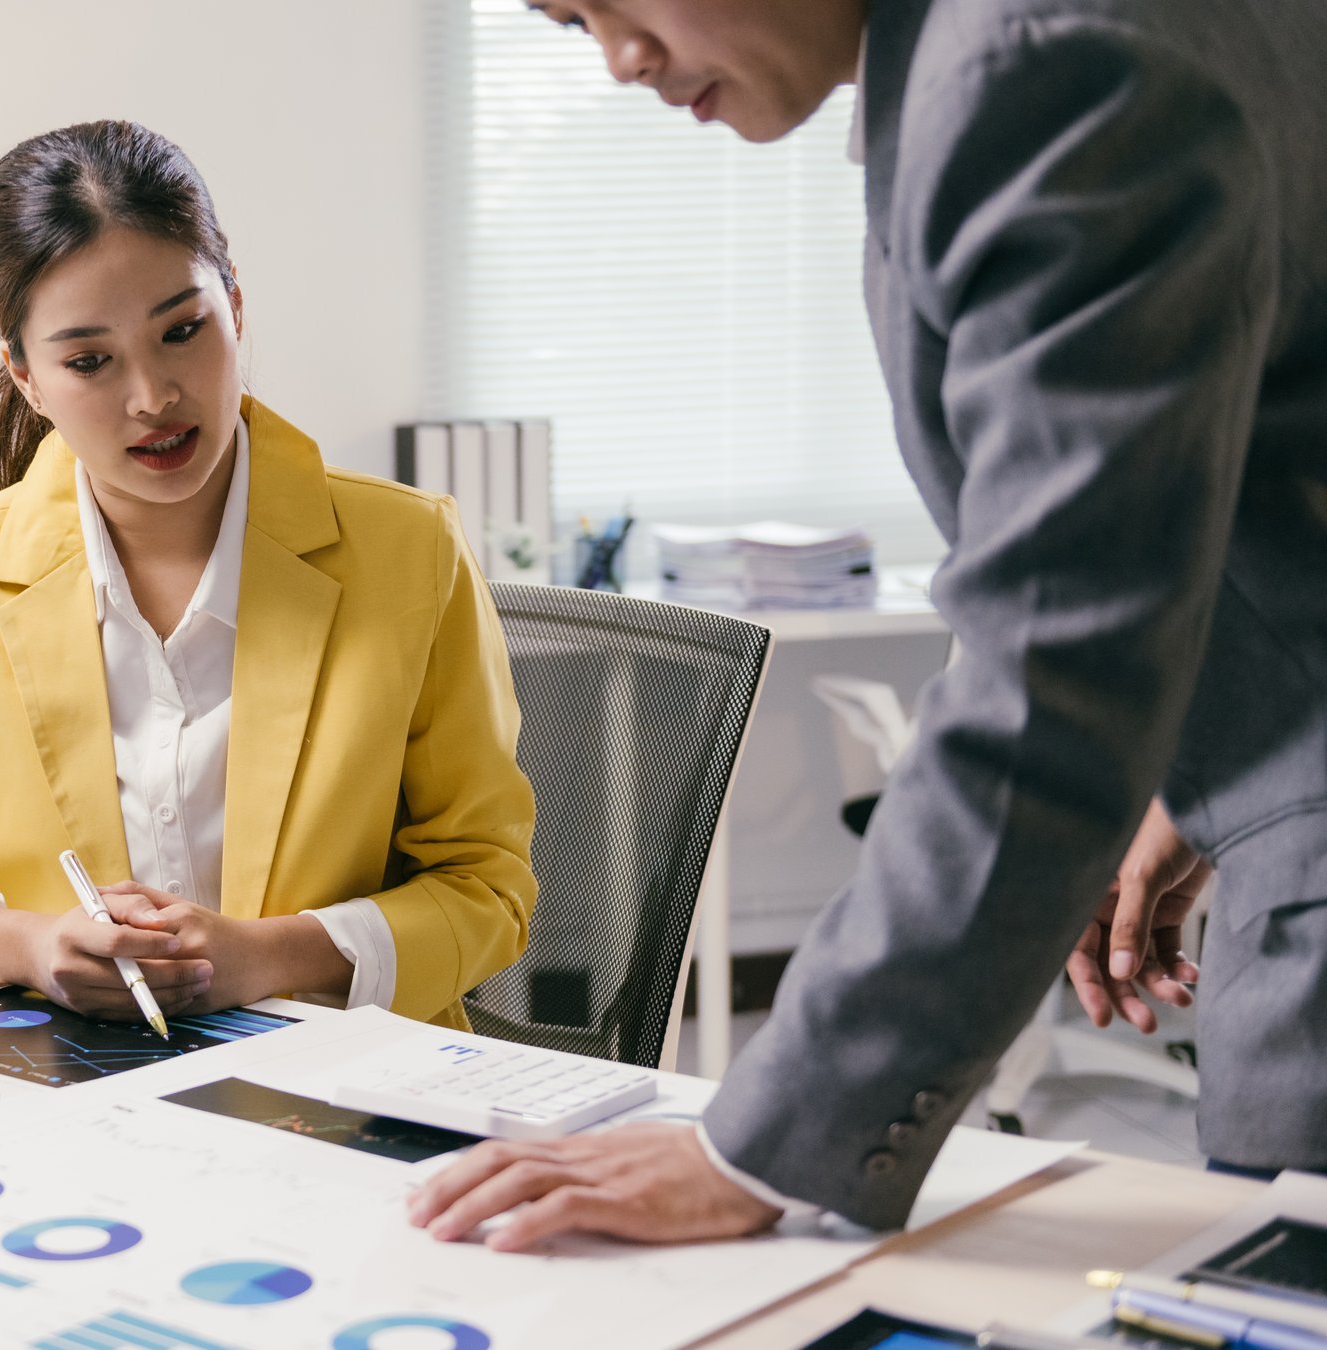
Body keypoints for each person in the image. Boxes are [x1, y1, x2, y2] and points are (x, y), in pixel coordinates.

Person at [410, 0, 1327, 1250]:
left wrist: (758, 1147)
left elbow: (1046, 682)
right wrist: (1225, 758)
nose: (620, 57)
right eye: (572, 26)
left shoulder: (1032, 73)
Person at [0, 121, 537, 1029]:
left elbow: (488, 890)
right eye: (89, 361)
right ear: (25, 377)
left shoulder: (410, 551)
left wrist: (264, 957)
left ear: (237, 308)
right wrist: (25, 944)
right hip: (77, 1086)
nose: (152, 397)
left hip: (343, 1081)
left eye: (182, 331)